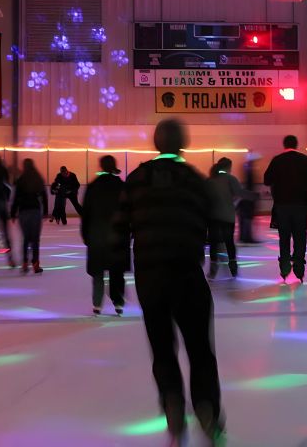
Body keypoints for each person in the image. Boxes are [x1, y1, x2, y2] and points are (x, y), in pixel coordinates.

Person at [114, 119, 224, 446]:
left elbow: (118, 229)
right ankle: (206, 408)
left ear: (155, 142)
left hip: (151, 278)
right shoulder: (194, 179)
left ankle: (173, 403)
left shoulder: (135, 180)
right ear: (183, 142)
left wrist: (117, 277)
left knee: (163, 349)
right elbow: (215, 221)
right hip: (188, 275)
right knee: (200, 350)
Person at [81, 155, 130, 315]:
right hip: (117, 235)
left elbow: (86, 214)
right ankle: (118, 302)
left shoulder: (93, 187)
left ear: (101, 166)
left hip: (97, 235)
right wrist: (129, 232)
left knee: (98, 272)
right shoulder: (122, 186)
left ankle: (97, 304)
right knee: (117, 271)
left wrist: (86, 235)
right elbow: (128, 211)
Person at [263, 135, 307, 282]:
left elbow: (267, 179)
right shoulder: (305, 160)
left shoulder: (277, 160)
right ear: (296, 145)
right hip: (300, 205)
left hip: (282, 206)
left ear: (284, 145)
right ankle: (299, 267)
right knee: (300, 237)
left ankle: (285, 266)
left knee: (284, 237)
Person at [10, 158, 48, 274]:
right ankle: (36, 264)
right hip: (35, 211)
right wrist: (45, 211)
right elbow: (44, 195)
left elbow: (16, 197)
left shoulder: (21, 179)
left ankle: (25, 263)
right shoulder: (38, 178)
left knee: (26, 238)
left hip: (23, 211)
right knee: (35, 239)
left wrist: (13, 212)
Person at [206, 157, 242, 279]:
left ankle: (213, 269)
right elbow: (239, 194)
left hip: (213, 216)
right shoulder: (231, 179)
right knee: (229, 242)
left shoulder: (210, 180)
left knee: (214, 243)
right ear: (229, 167)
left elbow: (206, 197)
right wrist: (233, 205)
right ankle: (233, 266)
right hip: (228, 216)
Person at [236, 154, 260, 243]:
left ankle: (244, 236)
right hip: (248, 199)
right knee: (247, 217)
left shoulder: (247, 170)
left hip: (247, 199)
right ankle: (247, 237)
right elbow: (250, 187)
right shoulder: (249, 172)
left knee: (245, 217)